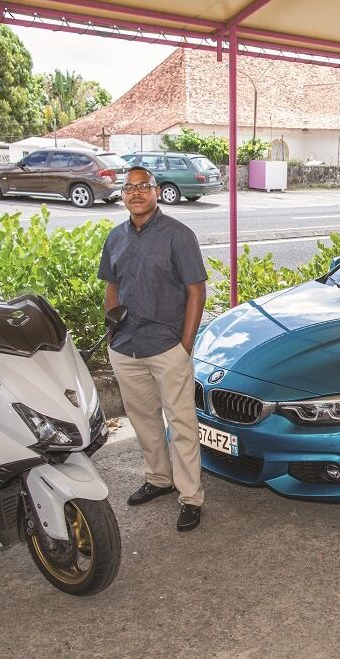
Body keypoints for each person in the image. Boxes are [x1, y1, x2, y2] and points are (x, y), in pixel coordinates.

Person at [98, 166, 209, 532]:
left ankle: (191, 496)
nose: (136, 193)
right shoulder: (115, 238)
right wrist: (112, 332)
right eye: (129, 188)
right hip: (126, 346)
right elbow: (111, 287)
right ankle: (159, 479)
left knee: (181, 423)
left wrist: (185, 345)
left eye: (143, 186)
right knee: (143, 420)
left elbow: (196, 291)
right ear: (123, 194)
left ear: (156, 191)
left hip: (166, 347)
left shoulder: (179, 236)